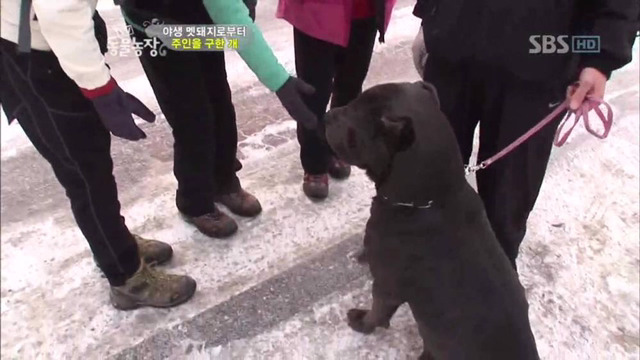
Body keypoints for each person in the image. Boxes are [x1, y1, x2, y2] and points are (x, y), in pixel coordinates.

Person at [412, 0, 639, 269]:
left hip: (543, 50)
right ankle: (424, 257)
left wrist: (599, 56)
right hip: (455, 38)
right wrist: (430, 17)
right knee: (432, 167)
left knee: (508, 193)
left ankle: (492, 275)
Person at [0, 1, 197, 309]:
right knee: (85, 173)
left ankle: (113, 242)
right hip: (41, 54)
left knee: (83, 167)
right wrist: (100, 89)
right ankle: (127, 277)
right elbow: (61, 12)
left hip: (28, 40)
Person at [118, 0, 318, 237]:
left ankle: (223, 181)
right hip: (153, 23)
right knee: (191, 117)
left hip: (201, 17)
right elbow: (228, 12)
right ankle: (194, 202)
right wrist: (279, 81)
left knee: (219, 101)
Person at [276, 0, 397, 199]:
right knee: (313, 92)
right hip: (317, 11)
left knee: (350, 86)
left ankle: (337, 147)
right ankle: (314, 163)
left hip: (366, 9)